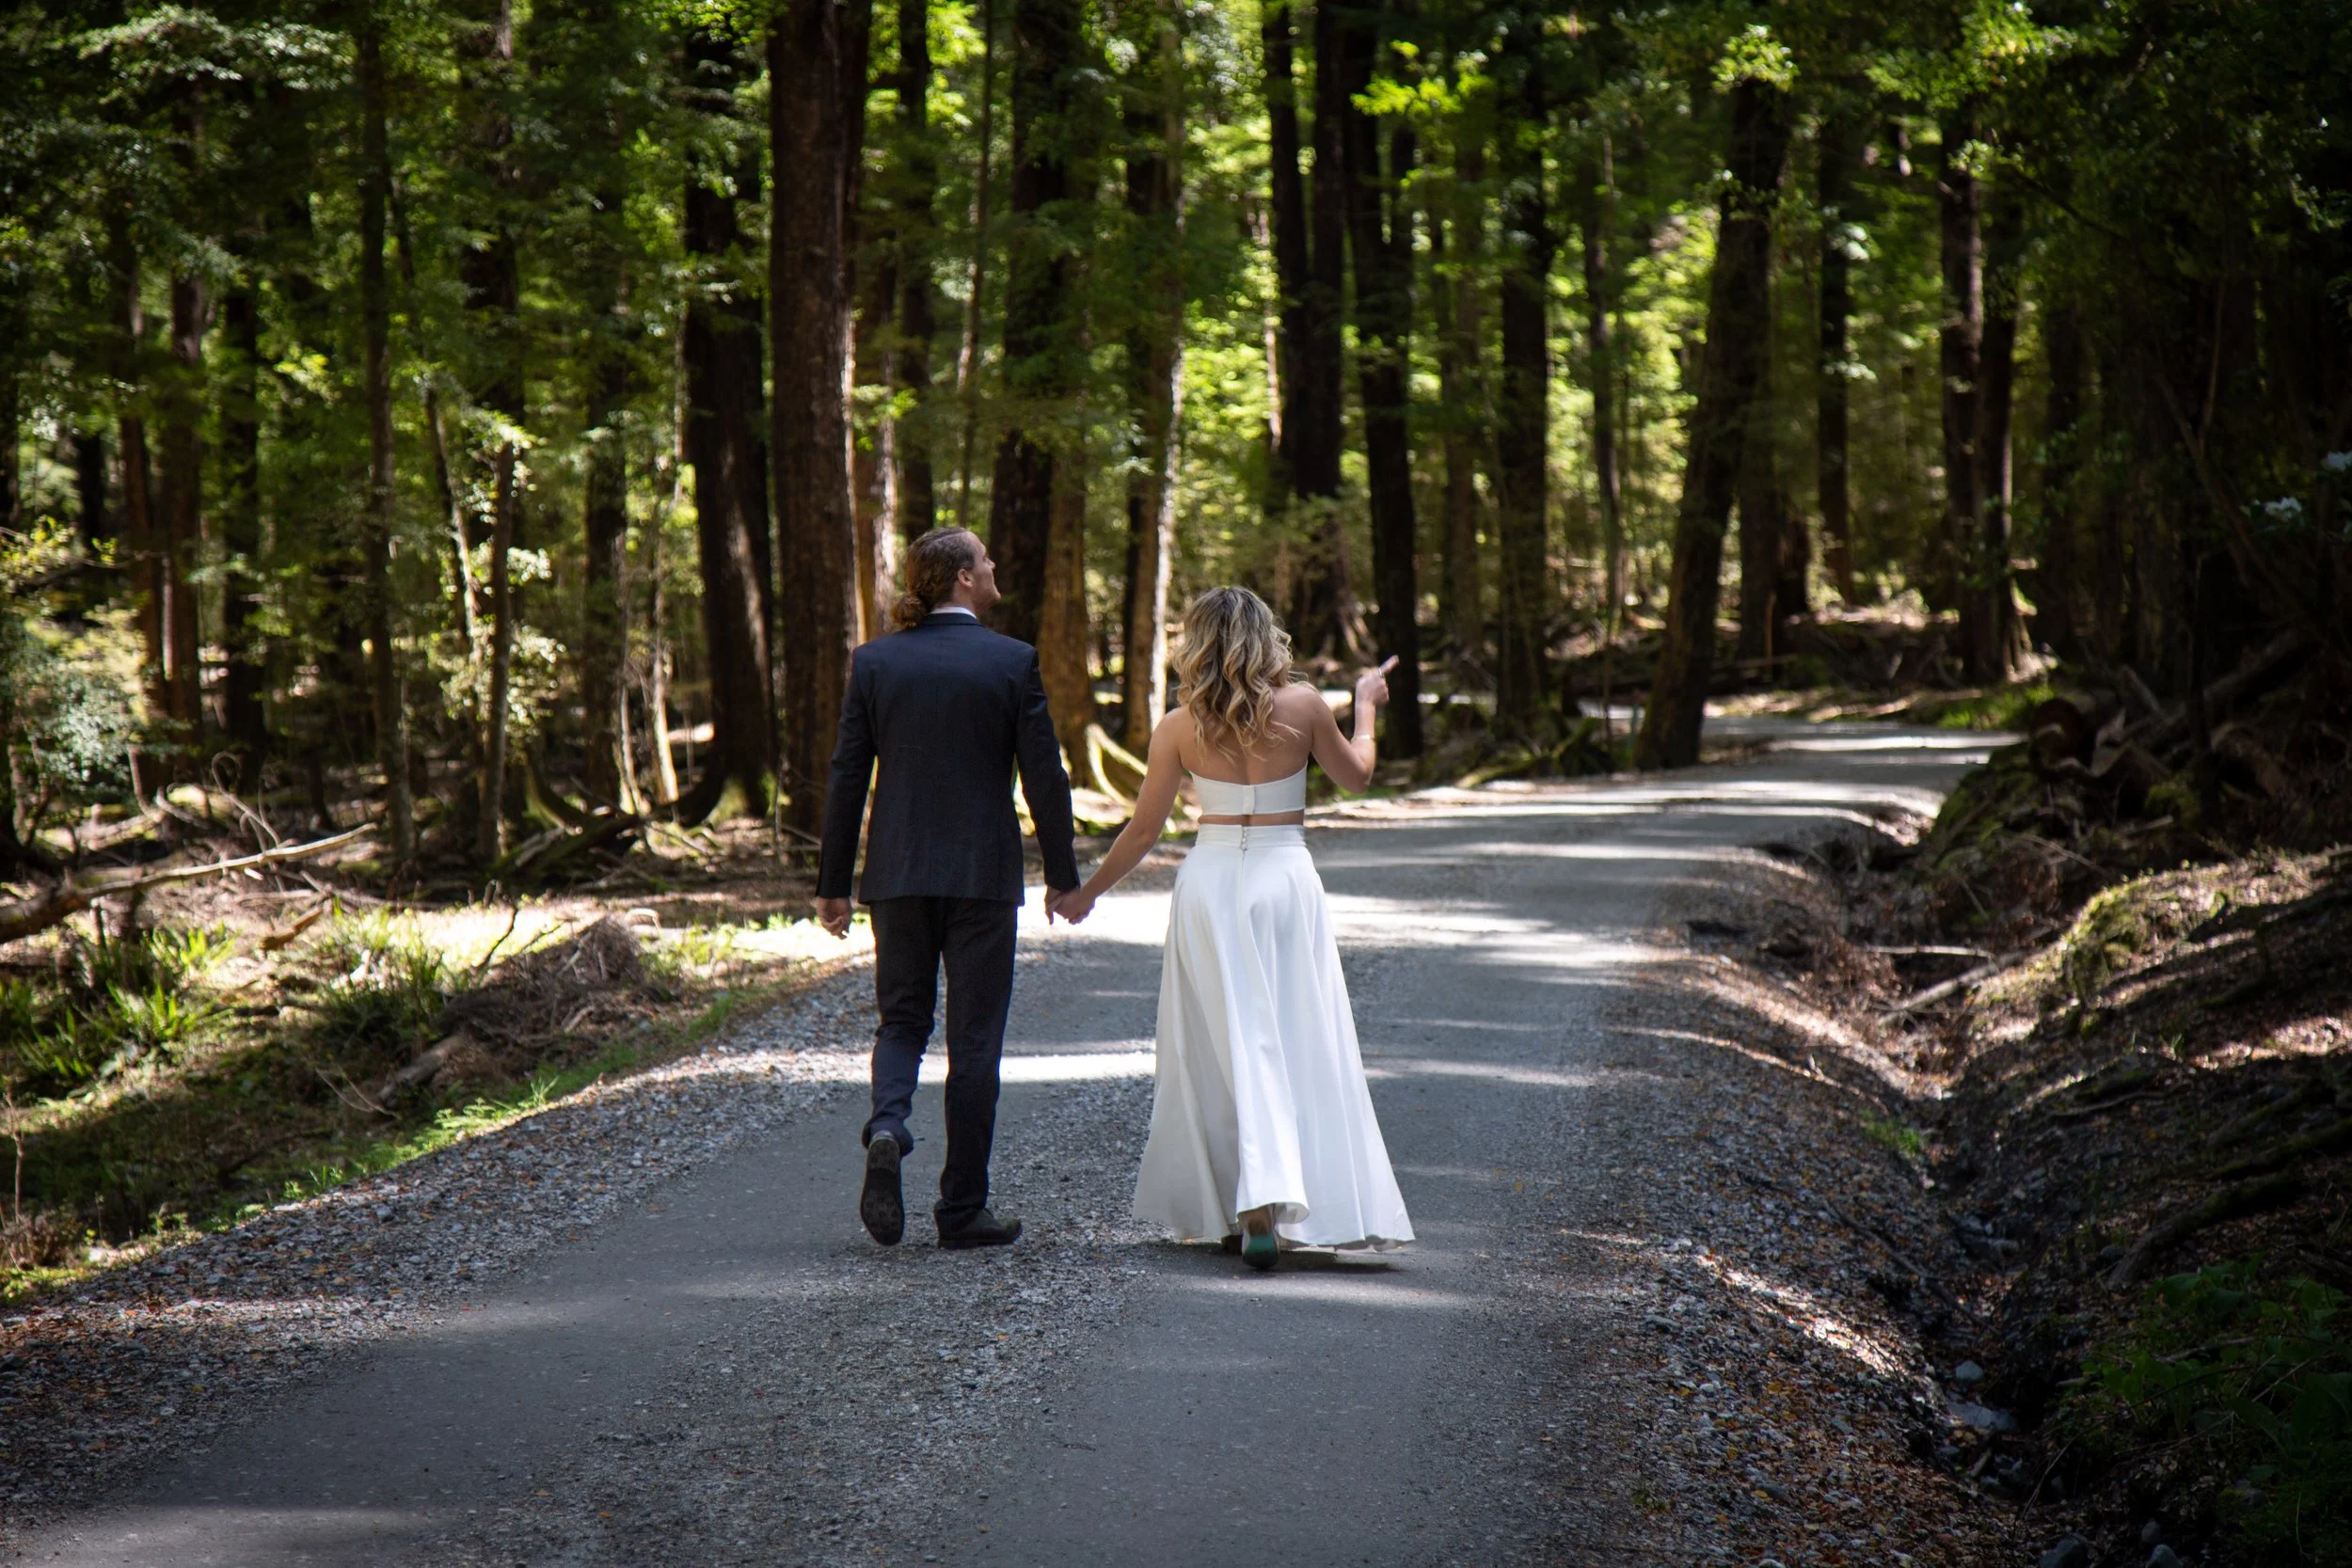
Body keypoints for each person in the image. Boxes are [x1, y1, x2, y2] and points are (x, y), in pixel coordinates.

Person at [1051, 587, 1412, 1269]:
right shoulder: (1305, 707)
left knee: (1220, 1046)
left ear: (1199, 644)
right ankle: (1267, 1201)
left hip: (1210, 883)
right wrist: (1364, 705)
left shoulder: (1178, 726)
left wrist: (1087, 892)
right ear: (1263, 636)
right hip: (1283, 880)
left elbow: (1144, 829)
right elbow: (1359, 776)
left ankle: (1242, 1204)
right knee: (1287, 1038)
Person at [816, 527, 1080, 1250]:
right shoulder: (1010, 661)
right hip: (981, 878)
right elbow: (1045, 776)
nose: (995, 566)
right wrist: (1062, 875)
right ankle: (961, 1207)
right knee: (974, 1040)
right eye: (986, 560)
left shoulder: (875, 662)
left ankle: (890, 1125)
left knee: (901, 1020)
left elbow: (847, 776)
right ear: (964, 578)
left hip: (897, 873)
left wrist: (833, 884)